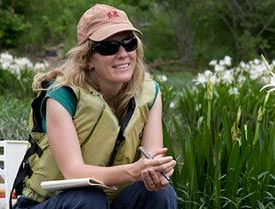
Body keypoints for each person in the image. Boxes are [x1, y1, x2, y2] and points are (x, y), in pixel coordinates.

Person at [12, 3, 177, 209]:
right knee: (89, 199)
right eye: (109, 47)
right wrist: (133, 171)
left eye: (129, 43)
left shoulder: (150, 92)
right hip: (50, 202)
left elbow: (153, 158)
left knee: (160, 194)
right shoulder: (62, 97)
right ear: (87, 58)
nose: (123, 53)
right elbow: (74, 171)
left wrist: (156, 174)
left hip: (108, 201)